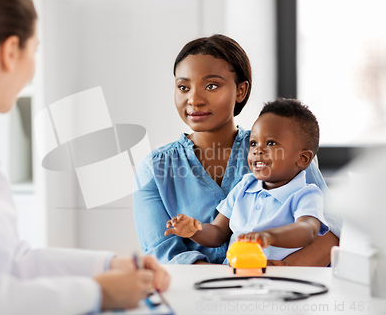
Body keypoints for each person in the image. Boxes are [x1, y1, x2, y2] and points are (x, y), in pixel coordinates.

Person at [0, 0, 169, 314]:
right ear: (11, 51)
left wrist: (109, 265)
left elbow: (13, 261)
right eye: (36, 50)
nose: (33, 66)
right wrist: (96, 293)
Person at [133, 34, 340, 265]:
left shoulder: (288, 154)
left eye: (211, 86)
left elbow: (331, 234)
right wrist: (224, 285)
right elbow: (163, 253)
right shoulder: (154, 169)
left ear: (240, 91)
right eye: (183, 87)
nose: (194, 100)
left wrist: (278, 272)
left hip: (282, 291)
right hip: (201, 295)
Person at [164, 98, 329, 262]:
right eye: (253, 143)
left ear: (303, 158)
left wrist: (269, 236)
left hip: (278, 280)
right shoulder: (244, 186)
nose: (258, 150)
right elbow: (218, 233)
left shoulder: (306, 194)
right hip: (235, 275)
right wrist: (194, 230)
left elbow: (307, 230)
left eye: (271, 143)